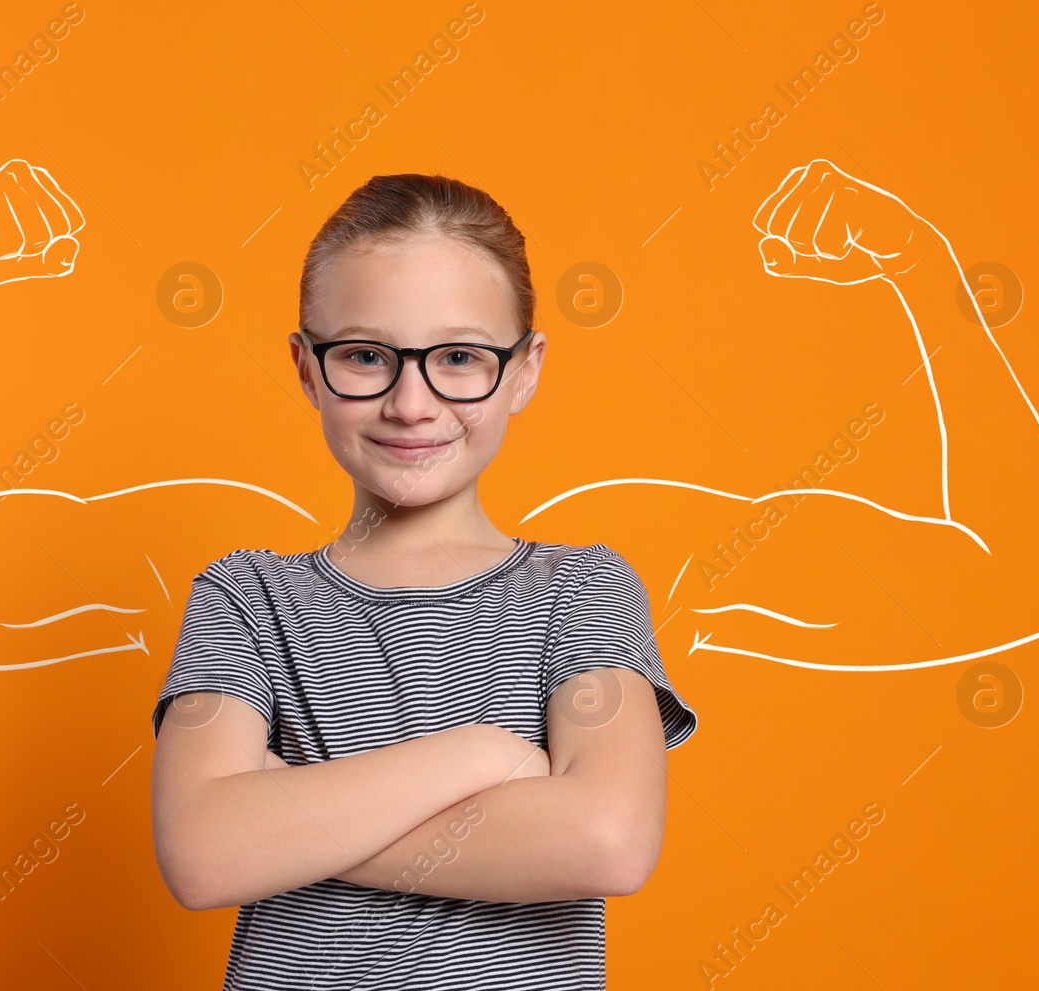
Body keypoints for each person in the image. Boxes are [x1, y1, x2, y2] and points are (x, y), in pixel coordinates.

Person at [149, 173, 699, 991]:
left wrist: (291, 812)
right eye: (367, 355)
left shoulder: (583, 588)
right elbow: (202, 854)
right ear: (305, 367)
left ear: (524, 370)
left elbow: (607, 840)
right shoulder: (244, 597)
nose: (413, 402)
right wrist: (482, 755)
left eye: (459, 358)